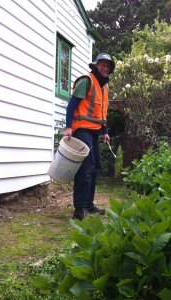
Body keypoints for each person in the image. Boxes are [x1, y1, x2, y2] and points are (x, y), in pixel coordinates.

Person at [63, 53, 115, 221]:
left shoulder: (104, 87)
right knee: (86, 168)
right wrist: (68, 127)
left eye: (108, 66)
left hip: (95, 132)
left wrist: (105, 131)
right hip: (82, 130)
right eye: (102, 64)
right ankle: (79, 209)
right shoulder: (87, 81)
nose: (105, 68)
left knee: (95, 168)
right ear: (96, 65)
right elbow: (72, 104)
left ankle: (89, 205)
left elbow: (102, 113)